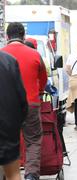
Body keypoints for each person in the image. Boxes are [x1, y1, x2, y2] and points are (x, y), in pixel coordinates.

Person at [2, 22, 48, 180]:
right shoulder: (35, 54)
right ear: (23, 36)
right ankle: (31, 175)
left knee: (5, 140)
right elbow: (43, 79)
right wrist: (39, 92)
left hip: (5, 106)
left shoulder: (2, 54)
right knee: (33, 140)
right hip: (31, 104)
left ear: (7, 36)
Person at [0, 51, 28, 180]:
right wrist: (17, 123)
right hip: (7, 125)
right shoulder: (9, 60)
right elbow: (22, 98)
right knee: (13, 174)